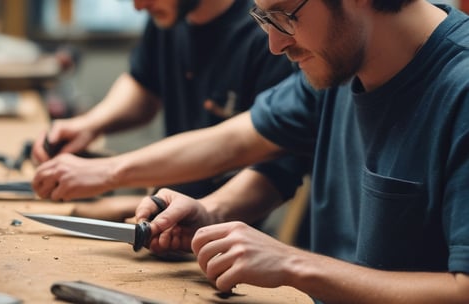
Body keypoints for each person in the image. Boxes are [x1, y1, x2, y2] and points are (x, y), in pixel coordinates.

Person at [122, 0, 469, 303]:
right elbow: (236, 139)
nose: (275, 45)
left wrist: (292, 264)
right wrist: (210, 212)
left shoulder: (459, 90)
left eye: (286, 14)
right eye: (264, 18)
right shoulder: (341, 62)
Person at [32, 0, 308, 204]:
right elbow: (144, 85)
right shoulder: (170, 14)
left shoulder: (270, 35)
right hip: (168, 206)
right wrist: (90, 125)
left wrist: (209, 212)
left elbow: (268, 157)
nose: (138, 6)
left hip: (228, 230)